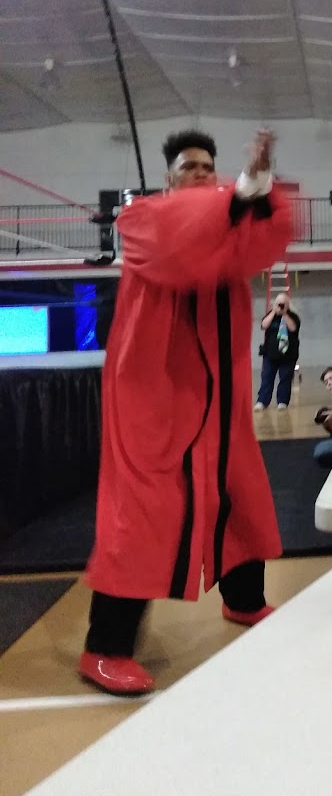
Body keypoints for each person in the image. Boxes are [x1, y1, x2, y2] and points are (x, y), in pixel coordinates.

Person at [80, 128, 293, 695]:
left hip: (217, 402)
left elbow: (261, 237)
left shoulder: (227, 223)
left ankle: (244, 601)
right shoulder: (142, 221)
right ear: (168, 177)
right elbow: (182, 247)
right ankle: (104, 648)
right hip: (155, 398)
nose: (200, 174)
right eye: (189, 167)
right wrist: (240, 194)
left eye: (207, 167)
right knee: (144, 515)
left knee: (238, 493)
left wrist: (256, 186)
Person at [254, 292, 300, 410]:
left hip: (288, 355)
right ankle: (262, 401)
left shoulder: (293, 316)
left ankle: (282, 402)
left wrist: (284, 314)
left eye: (283, 304)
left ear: (288, 305)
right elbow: (264, 325)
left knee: (285, 379)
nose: (280, 306)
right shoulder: (271, 315)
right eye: (278, 303)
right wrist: (274, 311)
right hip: (270, 354)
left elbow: (293, 328)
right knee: (267, 378)